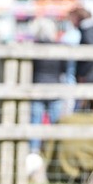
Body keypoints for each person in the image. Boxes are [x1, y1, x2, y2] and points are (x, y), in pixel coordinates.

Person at [28, 17, 66, 154]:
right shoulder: (60, 48)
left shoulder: (33, 47)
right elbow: (64, 68)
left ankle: (33, 151)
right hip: (55, 87)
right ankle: (55, 152)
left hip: (37, 87)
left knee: (35, 122)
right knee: (56, 123)